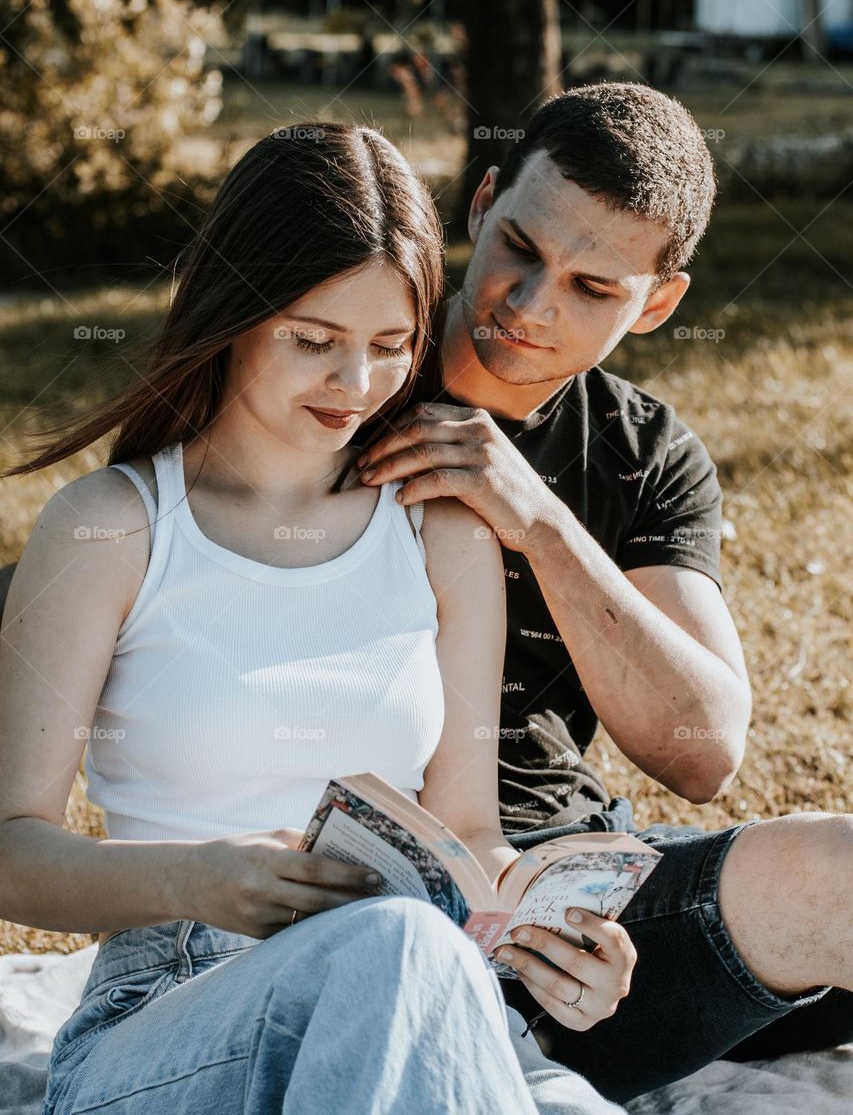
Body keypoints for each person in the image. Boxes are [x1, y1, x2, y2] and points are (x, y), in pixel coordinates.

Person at [0, 125, 630, 1115]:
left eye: (390, 346)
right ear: (233, 311)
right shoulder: (110, 526)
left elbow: (466, 830)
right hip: (174, 1010)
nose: (357, 384)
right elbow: (13, 849)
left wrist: (546, 938)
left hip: (436, 998)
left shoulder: (441, 531)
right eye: (313, 339)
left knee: (426, 968)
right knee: (395, 945)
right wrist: (197, 880)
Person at [346, 84, 853, 1103]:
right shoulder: (346, 376)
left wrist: (534, 517)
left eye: (591, 286)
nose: (530, 306)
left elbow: (704, 750)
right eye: (520, 249)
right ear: (482, 201)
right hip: (390, 894)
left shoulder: (643, 454)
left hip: (586, 890)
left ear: (658, 303)